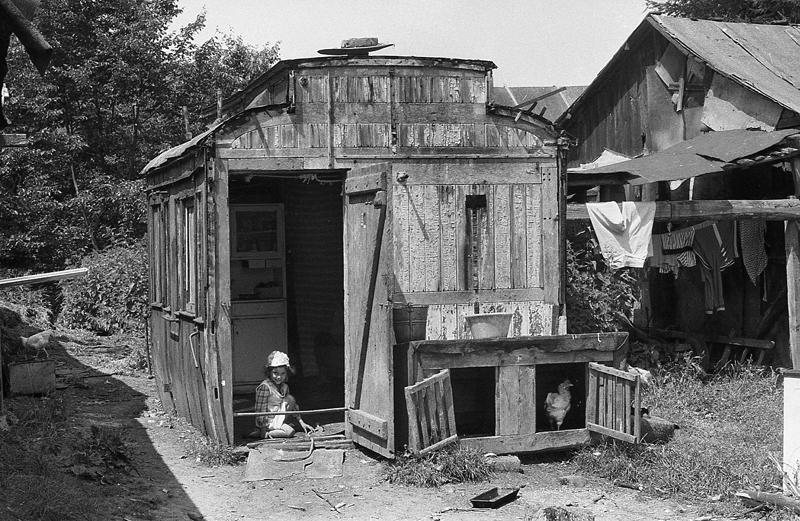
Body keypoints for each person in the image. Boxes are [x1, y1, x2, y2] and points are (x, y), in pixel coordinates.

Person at [249, 351, 313, 439]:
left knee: (290, 398)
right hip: (267, 421)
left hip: (278, 417)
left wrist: (301, 422)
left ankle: (274, 428)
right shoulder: (265, 387)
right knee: (290, 432)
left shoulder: (284, 386)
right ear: (269, 372)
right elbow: (260, 410)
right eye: (275, 373)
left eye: (283, 373)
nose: (279, 377)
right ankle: (266, 433)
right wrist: (263, 429)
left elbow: (293, 405)